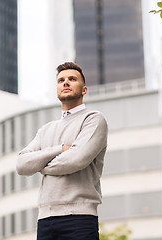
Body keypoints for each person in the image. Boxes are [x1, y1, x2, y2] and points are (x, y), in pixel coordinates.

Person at [16, 62, 108, 240]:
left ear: (84, 90)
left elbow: (75, 160)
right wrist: (60, 149)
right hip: (45, 219)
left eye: (72, 79)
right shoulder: (46, 130)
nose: (65, 82)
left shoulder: (93, 120)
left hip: (80, 218)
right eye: (61, 80)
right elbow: (21, 165)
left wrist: (41, 166)